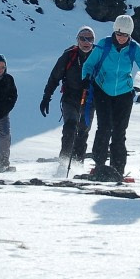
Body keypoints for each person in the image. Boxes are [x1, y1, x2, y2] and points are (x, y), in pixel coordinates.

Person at [79, 14, 140, 180]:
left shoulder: (134, 49)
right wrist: (86, 78)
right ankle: (99, 165)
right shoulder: (104, 44)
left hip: (124, 94)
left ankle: (118, 169)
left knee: (119, 132)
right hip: (102, 91)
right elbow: (88, 65)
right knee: (104, 127)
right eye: (118, 34)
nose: (121, 37)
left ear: (130, 35)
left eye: (125, 35)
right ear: (114, 31)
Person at [40, 26, 96, 176]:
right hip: (70, 99)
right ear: (77, 40)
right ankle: (63, 165)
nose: (86, 42)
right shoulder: (69, 56)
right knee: (70, 128)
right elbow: (54, 77)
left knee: (83, 132)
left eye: (89, 39)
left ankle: (77, 166)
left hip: (89, 100)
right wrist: (47, 97)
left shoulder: (98, 56)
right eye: (83, 38)